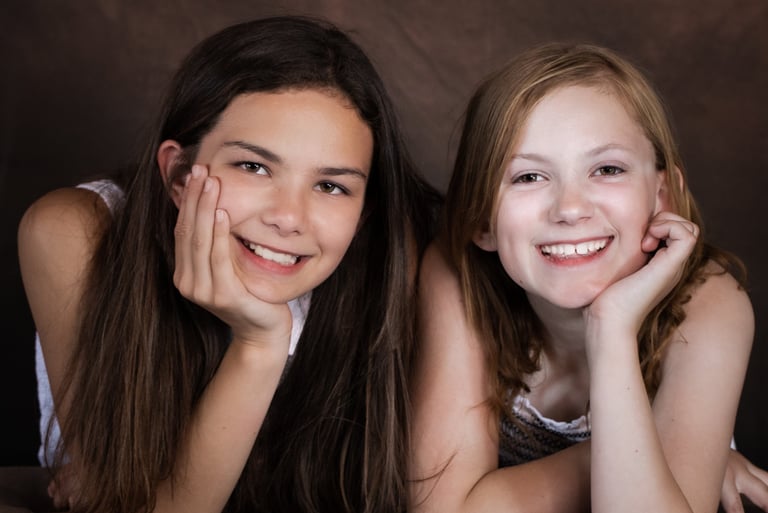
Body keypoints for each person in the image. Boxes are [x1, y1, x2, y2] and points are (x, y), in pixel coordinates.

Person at [18, 16, 440, 513]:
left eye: (331, 186)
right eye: (254, 166)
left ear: (363, 209)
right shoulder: (73, 231)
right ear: (179, 174)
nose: (288, 218)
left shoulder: (394, 258)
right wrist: (259, 343)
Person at [409, 42, 767, 513]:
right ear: (481, 219)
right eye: (528, 178)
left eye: (607, 169)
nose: (571, 209)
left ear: (664, 197)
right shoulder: (456, 273)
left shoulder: (710, 304)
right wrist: (667, 451)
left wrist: (611, 326)